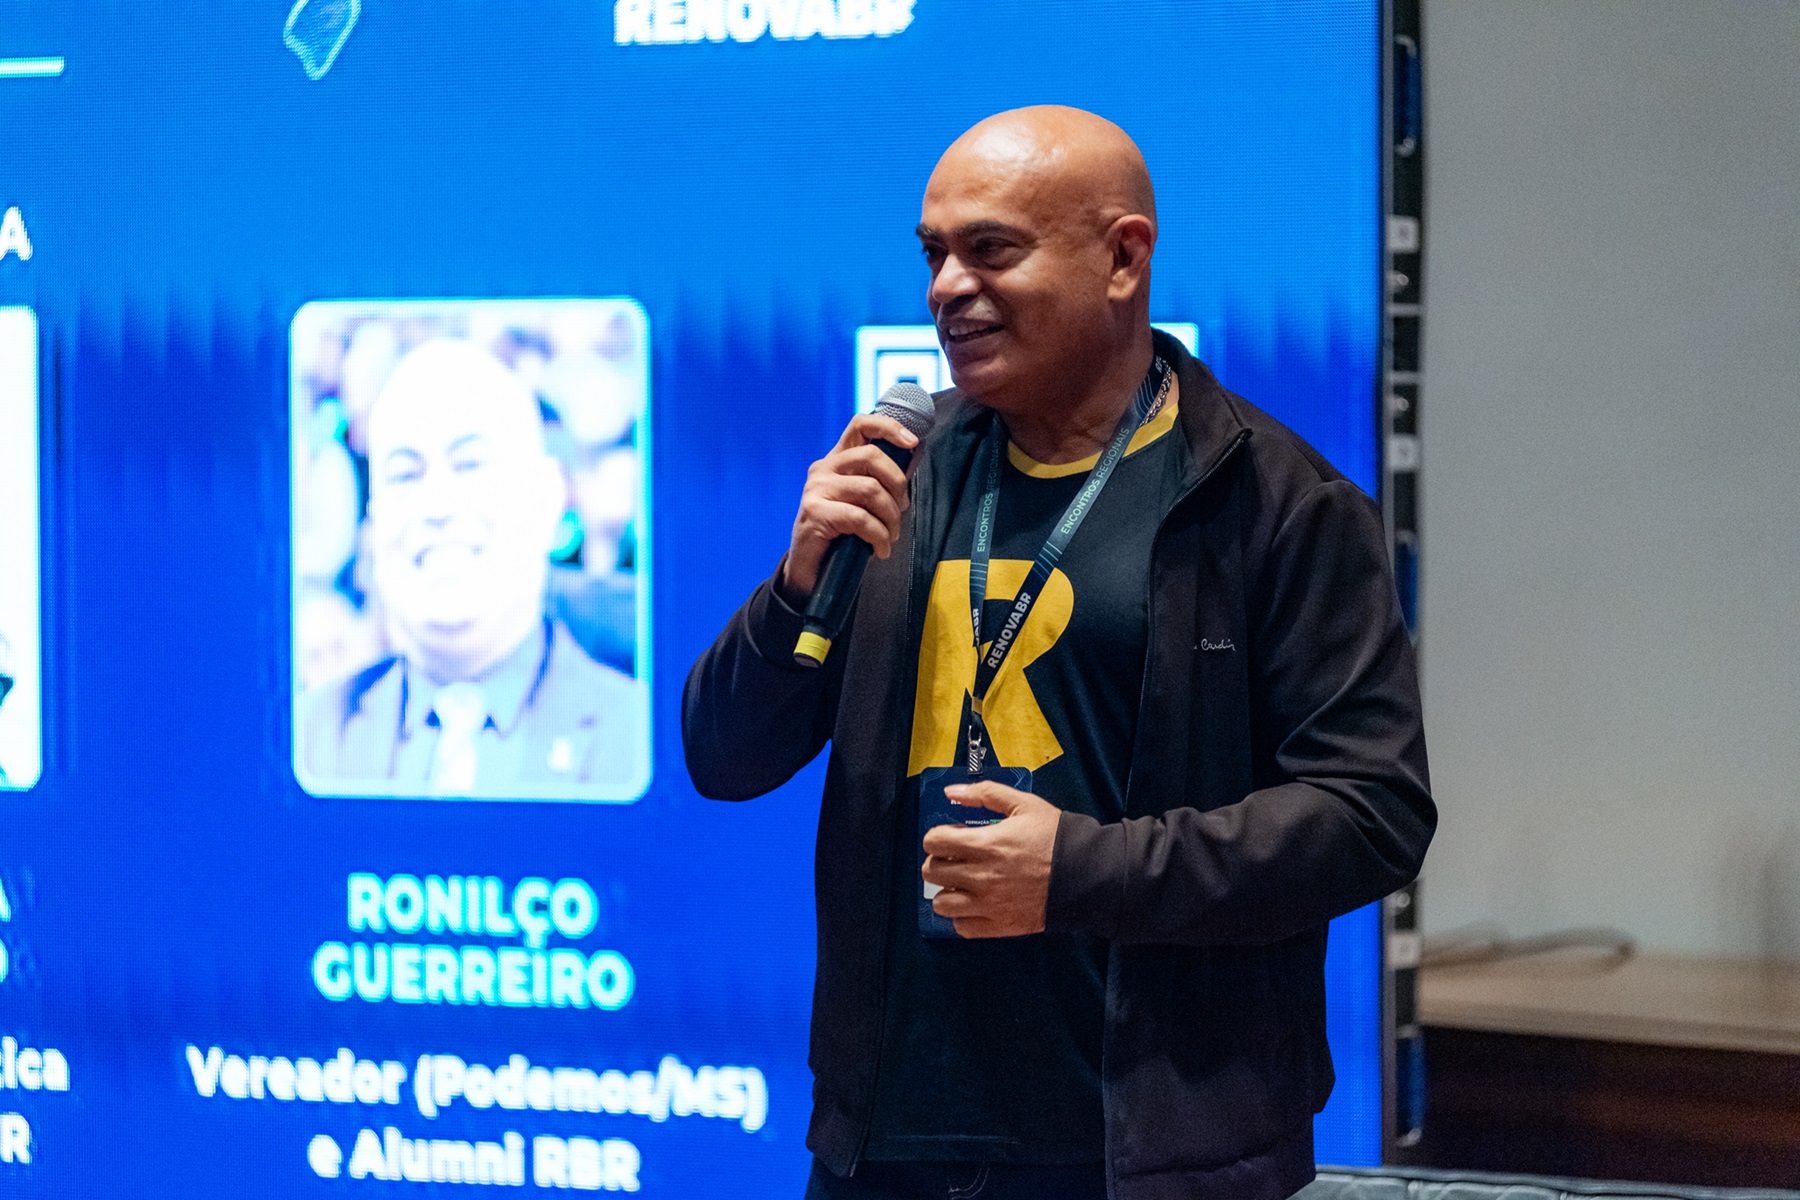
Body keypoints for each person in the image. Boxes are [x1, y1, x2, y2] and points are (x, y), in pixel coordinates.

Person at [684, 106, 1433, 1200]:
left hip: (1148, 1157)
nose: (948, 288)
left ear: (1123, 258)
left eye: (991, 250)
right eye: (934, 255)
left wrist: (1082, 872)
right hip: (884, 1142)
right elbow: (722, 756)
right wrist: (796, 586)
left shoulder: (1274, 502)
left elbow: (1372, 815)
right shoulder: (899, 471)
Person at [298, 338, 649, 800]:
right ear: (373, 525)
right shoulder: (311, 739)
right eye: (404, 475)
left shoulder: (641, 740)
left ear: (546, 498)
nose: (436, 506)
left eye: (469, 464)